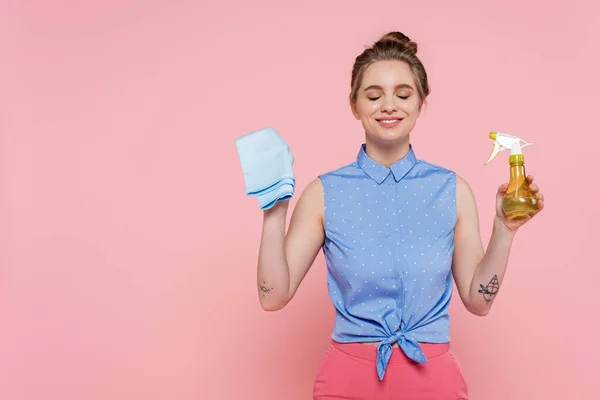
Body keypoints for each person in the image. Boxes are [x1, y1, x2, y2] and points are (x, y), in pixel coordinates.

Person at [255, 31, 544, 400]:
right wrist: (274, 210)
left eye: (403, 94)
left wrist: (505, 229)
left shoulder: (452, 189)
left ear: (421, 103)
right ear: (354, 105)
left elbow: (478, 301)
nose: (388, 105)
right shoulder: (323, 193)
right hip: (347, 379)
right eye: (374, 95)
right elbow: (272, 297)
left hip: (433, 378)